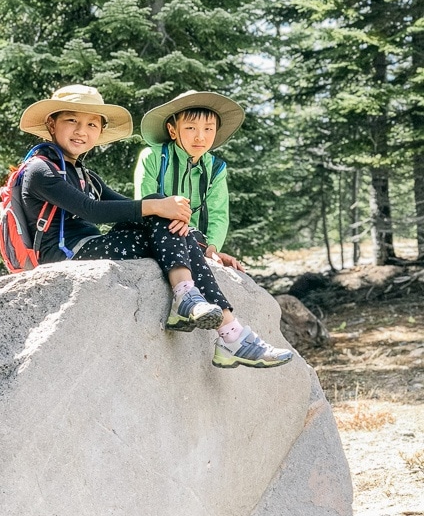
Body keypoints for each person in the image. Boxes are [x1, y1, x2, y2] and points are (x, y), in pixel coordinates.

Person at [19, 84, 292, 369]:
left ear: (99, 132)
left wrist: (205, 247)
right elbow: (92, 211)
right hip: (67, 256)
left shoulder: (84, 173)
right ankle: (221, 327)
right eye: (72, 121)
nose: (81, 130)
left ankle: (218, 323)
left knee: (156, 206)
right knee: (155, 205)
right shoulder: (40, 169)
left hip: (90, 248)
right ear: (52, 123)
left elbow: (137, 210)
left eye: (91, 124)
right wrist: (157, 207)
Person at [134, 90, 244, 270]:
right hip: (157, 238)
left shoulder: (216, 168)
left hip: (197, 244)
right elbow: (145, 204)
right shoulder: (153, 157)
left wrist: (212, 248)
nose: (200, 136)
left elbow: (218, 213)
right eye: (191, 127)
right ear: (172, 130)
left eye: (208, 128)